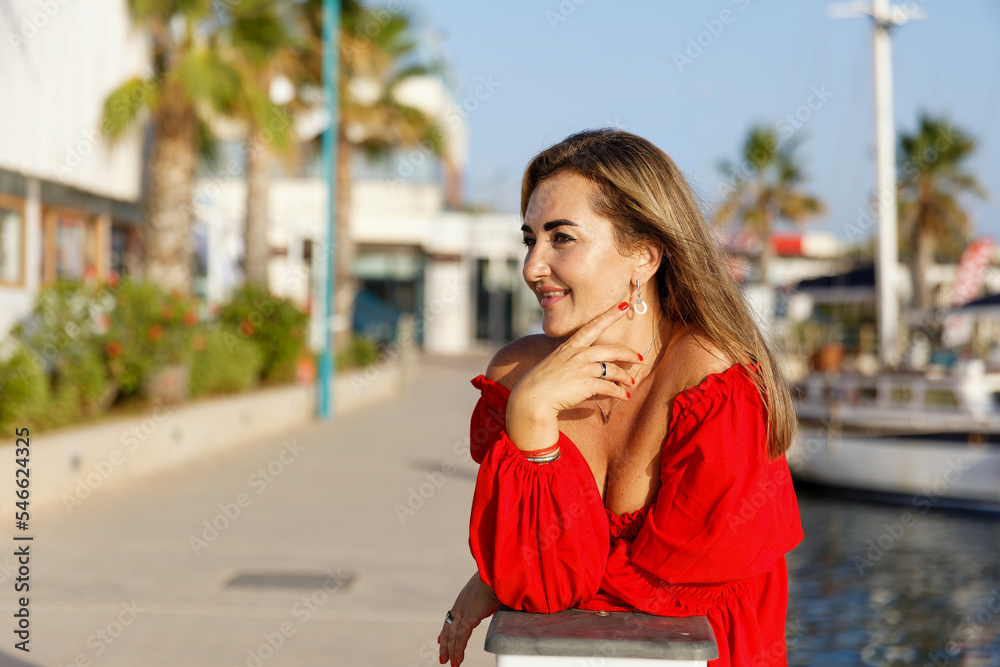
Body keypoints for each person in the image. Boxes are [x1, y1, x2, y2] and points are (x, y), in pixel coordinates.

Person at [437, 129, 803, 667]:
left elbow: (675, 594)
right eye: (529, 238)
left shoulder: (713, 380)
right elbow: (544, 588)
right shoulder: (520, 375)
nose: (532, 266)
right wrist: (533, 417)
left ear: (644, 256)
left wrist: (497, 578)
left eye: (561, 238)